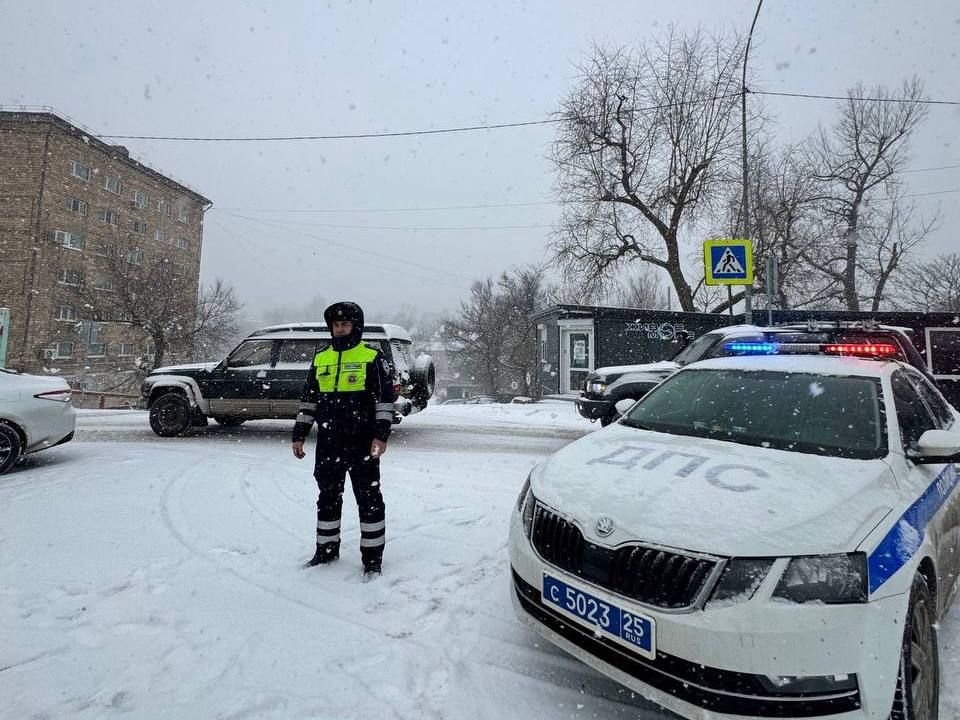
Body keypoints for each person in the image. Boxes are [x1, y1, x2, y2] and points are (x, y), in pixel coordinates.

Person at [292, 301, 397, 576]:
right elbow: (309, 402)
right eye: (336, 325)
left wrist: (381, 436)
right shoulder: (321, 358)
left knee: (369, 498)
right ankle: (325, 551)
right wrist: (299, 434)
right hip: (329, 442)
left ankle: (372, 561)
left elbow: (385, 402)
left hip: (362, 442)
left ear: (355, 327)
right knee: (327, 497)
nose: (340, 329)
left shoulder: (372, 357)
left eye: (345, 324)